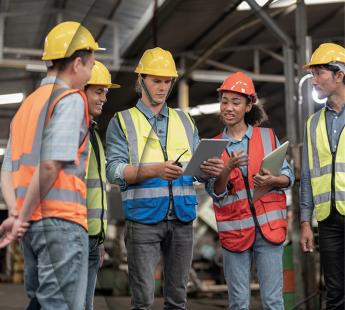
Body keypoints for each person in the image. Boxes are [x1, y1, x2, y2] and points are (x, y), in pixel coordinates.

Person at [106, 47, 223, 310]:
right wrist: (154, 170)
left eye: (167, 81)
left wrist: (208, 169)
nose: (162, 87)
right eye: (156, 81)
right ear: (140, 81)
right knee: (144, 300)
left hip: (182, 219)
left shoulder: (185, 120)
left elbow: (197, 170)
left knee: (177, 300)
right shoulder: (123, 121)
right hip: (143, 219)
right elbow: (113, 170)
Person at [0, 21, 102, 309]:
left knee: (41, 303)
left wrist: (17, 211)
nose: (91, 72)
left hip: (33, 230)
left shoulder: (27, 106)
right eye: (91, 65)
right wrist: (22, 217)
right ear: (77, 64)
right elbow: (50, 165)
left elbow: (6, 170)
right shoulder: (69, 100)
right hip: (61, 223)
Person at [207, 72, 294, 310]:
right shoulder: (212, 146)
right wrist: (227, 168)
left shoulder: (267, 137)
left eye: (236, 102)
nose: (229, 107)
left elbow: (289, 178)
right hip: (235, 231)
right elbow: (216, 191)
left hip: (269, 229)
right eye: (225, 101)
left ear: (248, 106)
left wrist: (273, 179)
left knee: (273, 301)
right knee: (238, 303)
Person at [299, 42, 345, 309]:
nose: (313, 80)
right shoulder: (313, 122)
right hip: (328, 219)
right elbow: (307, 175)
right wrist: (306, 221)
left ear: (338, 75)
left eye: (318, 74)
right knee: (334, 293)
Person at [84, 60, 120, 310]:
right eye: (98, 91)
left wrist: (100, 241)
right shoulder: (71, 132)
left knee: (85, 305)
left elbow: (97, 191)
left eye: (106, 92)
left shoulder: (94, 134)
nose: (104, 98)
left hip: (91, 238)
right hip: (74, 235)